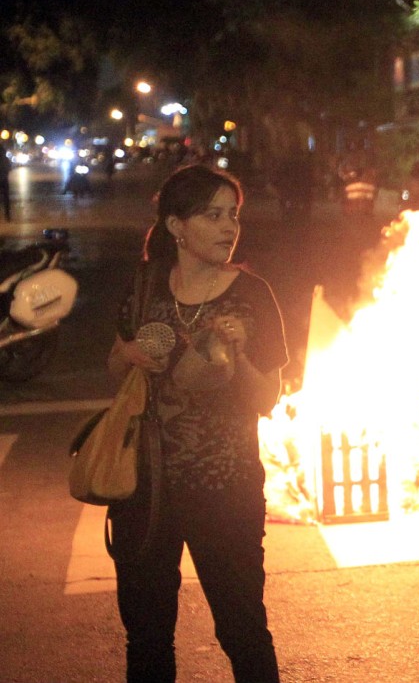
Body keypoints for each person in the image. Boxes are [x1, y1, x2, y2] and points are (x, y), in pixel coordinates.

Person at [106, 164, 288, 682]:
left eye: (233, 215)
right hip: (145, 486)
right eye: (213, 215)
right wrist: (134, 355)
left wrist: (238, 354)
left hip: (224, 488)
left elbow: (267, 400)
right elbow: (114, 364)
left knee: (242, 631)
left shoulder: (252, 295)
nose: (230, 227)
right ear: (176, 226)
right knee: (146, 636)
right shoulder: (145, 285)